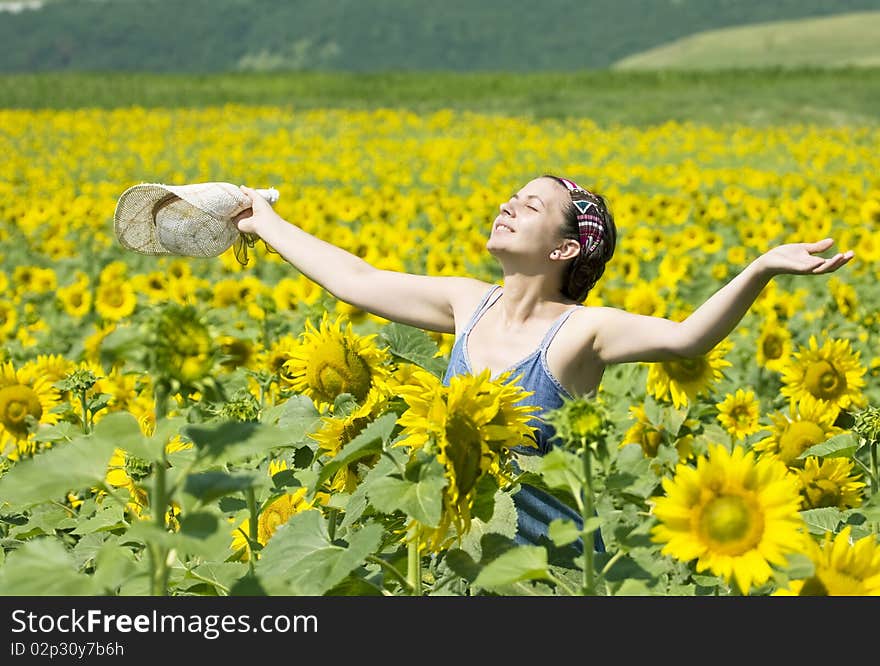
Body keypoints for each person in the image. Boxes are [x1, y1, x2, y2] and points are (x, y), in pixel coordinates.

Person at [233, 175, 854, 555]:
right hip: (467, 560)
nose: (509, 205)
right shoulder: (467, 302)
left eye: (531, 206)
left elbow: (689, 338)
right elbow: (355, 280)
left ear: (562, 248)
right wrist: (265, 220)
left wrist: (762, 267)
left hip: (552, 573)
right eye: (512, 196)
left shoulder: (580, 332)